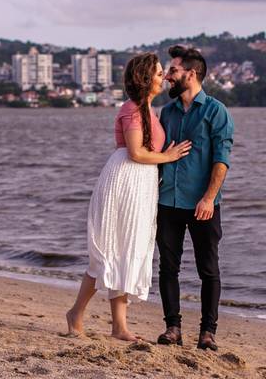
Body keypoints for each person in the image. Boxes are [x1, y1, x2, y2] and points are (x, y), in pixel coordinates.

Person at [66, 53, 191, 341]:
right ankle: (76, 313)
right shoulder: (132, 109)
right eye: (158, 73)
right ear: (146, 78)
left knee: (127, 251)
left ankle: (119, 327)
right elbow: (135, 152)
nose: (163, 78)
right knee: (109, 252)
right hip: (125, 181)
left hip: (141, 183)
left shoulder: (148, 110)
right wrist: (169, 156)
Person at [156, 45, 234, 351]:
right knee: (167, 268)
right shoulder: (167, 112)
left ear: (191, 73)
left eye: (173, 70)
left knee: (208, 269)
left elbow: (221, 160)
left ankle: (208, 332)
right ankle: (172, 328)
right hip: (168, 201)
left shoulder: (216, 111)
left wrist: (208, 198)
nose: (167, 76)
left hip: (203, 204)